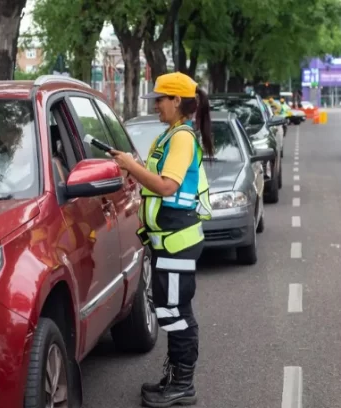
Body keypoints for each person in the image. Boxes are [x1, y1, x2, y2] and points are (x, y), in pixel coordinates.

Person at [109, 72, 214, 408]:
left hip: (176, 241)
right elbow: (158, 179)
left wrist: (131, 166)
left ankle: (182, 385)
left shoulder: (181, 137)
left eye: (160, 99)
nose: (156, 105)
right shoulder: (171, 135)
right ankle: (174, 380)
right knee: (171, 309)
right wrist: (131, 166)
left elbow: (167, 186)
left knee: (176, 311)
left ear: (177, 101)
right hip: (169, 240)